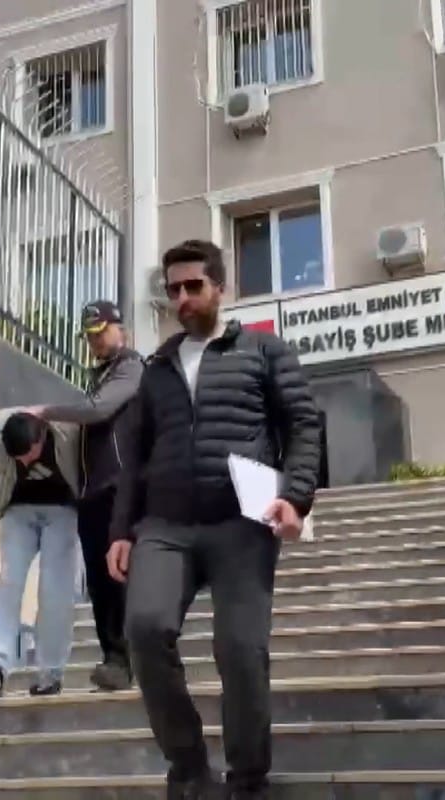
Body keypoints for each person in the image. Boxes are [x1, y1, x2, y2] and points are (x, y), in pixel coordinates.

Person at [110, 239, 322, 799]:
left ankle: (248, 778)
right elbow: (135, 457)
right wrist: (121, 531)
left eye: (193, 286)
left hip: (241, 525)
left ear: (220, 287)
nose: (182, 298)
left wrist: (296, 497)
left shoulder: (264, 351)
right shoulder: (156, 369)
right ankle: (188, 768)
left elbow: (304, 424)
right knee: (144, 628)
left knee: (241, 649)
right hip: (166, 526)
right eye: (173, 289)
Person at [29, 300, 143, 692]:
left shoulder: (131, 367)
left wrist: (46, 411)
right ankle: (113, 659)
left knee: (118, 574)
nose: (94, 342)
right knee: (97, 580)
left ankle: (128, 659)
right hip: (92, 492)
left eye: (100, 333)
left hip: (120, 487)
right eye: (89, 336)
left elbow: (99, 410)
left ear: (119, 328)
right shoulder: (99, 376)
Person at [0, 410, 81, 698]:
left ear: (41, 438)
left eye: (29, 455)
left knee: (55, 589)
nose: (25, 463)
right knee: (7, 581)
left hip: (62, 510)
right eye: (18, 458)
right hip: (18, 510)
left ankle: (51, 673)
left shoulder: (66, 435)